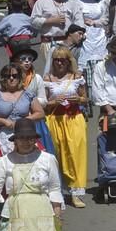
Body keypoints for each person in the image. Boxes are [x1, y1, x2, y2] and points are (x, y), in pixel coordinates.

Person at [44, 46, 88, 208]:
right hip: (55, 119)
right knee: (56, 156)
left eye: (63, 59)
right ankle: (58, 192)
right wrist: (53, 102)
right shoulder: (47, 79)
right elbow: (43, 105)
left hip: (74, 119)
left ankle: (76, 193)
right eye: (57, 59)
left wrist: (78, 99)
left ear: (69, 61)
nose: (60, 63)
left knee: (75, 154)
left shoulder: (76, 77)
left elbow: (85, 99)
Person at [0, 63, 45, 158]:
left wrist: (24, 121)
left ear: (19, 77)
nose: (11, 78)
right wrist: (3, 121)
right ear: (3, 78)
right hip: (4, 135)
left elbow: (40, 113)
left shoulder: (28, 94)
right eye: (8, 76)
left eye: (14, 76)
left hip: (25, 134)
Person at [30, 0, 85, 75]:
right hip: (49, 42)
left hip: (68, 42)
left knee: (68, 71)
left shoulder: (71, 1)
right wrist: (50, 21)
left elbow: (79, 19)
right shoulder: (42, 1)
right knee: (51, 72)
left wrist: (80, 32)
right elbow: (33, 21)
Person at [10, 45, 55, 156]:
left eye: (29, 59)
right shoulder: (10, 77)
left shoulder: (37, 78)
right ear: (16, 60)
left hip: (35, 121)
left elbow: (44, 100)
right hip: (15, 120)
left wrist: (30, 103)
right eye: (23, 59)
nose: (27, 62)